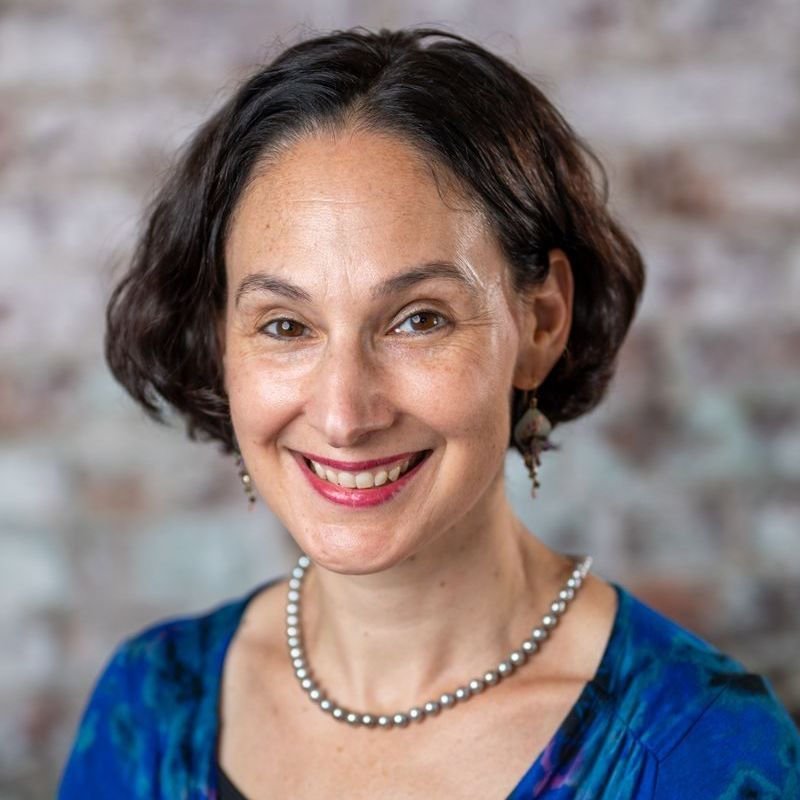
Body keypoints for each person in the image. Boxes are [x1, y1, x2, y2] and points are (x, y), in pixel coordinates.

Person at [57, 26, 799, 800]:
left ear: (540, 323)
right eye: (285, 325)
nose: (345, 414)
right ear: (221, 344)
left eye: (419, 319)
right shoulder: (146, 711)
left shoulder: (705, 754)